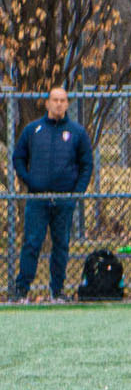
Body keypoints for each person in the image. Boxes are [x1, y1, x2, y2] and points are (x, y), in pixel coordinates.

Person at [11, 86, 93, 303]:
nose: (58, 104)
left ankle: (57, 291)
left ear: (67, 104)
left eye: (62, 100)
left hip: (64, 200)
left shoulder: (77, 133)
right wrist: (29, 180)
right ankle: (21, 290)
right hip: (37, 199)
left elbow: (87, 164)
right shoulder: (33, 130)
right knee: (32, 243)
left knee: (61, 245)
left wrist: (76, 193)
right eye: (55, 100)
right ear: (47, 103)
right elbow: (18, 157)